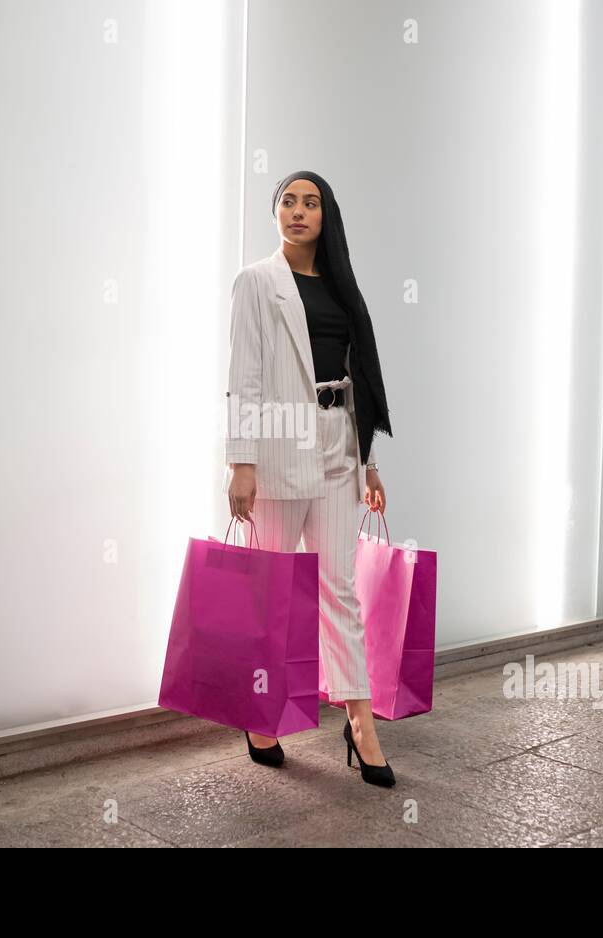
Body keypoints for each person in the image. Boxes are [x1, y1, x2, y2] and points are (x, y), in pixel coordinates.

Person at [222, 169, 396, 787]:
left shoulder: (343, 286)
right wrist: (241, 462)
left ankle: (359, 719)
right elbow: (243, 378)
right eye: (288, 201)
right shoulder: (256, 282)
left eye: (311, 202)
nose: (298, 211)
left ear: (327, 216)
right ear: (276, 214)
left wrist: (368, 463)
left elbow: (360, 381)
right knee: (272, 590)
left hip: (337, 442)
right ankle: (261, 711)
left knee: (340, 589)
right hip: (278, 446)